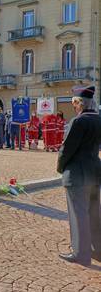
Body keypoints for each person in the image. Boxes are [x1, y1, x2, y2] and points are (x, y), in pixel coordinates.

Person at [56, 86, 101, 266]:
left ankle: (81, 254)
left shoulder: (78, 122)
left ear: (79, 103)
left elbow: (66, 149)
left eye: (74, 103)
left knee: (78, 214)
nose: (74, 107)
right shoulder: (99, 120)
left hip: (76, 174)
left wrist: (60, 167)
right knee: (94, 213)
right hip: (95, 171)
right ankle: (98, 250)